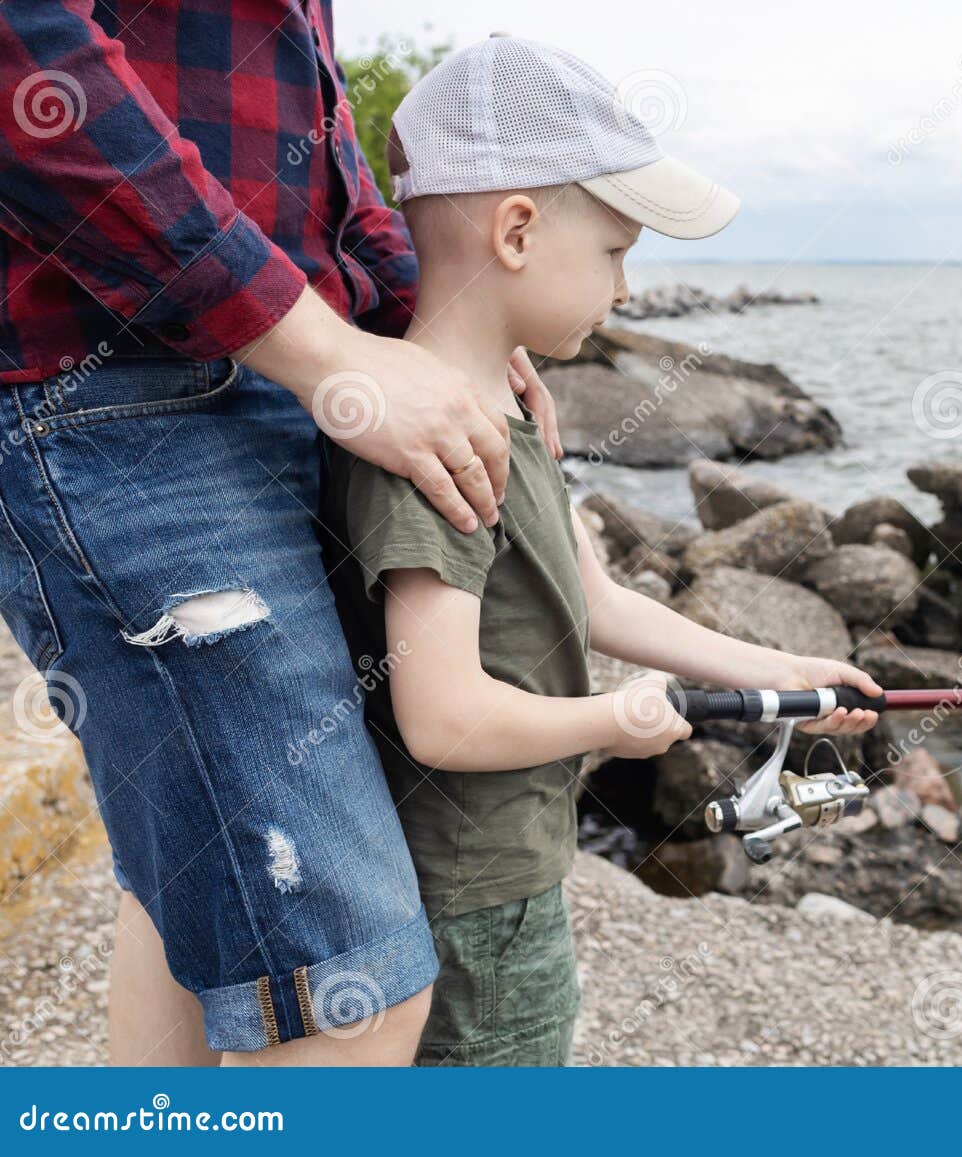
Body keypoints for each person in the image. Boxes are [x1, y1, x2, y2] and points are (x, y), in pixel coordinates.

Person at [0, 4, 563, 1063]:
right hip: (114, 390)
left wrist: (425, 328)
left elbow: (322, 160)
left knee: (188, 901)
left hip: (271, 370)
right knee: (349, 988)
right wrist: (327, 354)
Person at [319, 36, 881, 1066]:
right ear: (518, 230)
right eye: (617, 252)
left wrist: (781, 671)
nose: (626, 290)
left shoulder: (508, 409)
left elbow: (599, 597)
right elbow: (440, 717)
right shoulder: (428, 452)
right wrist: (610, 722)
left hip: (516, 866)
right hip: (467, 889)